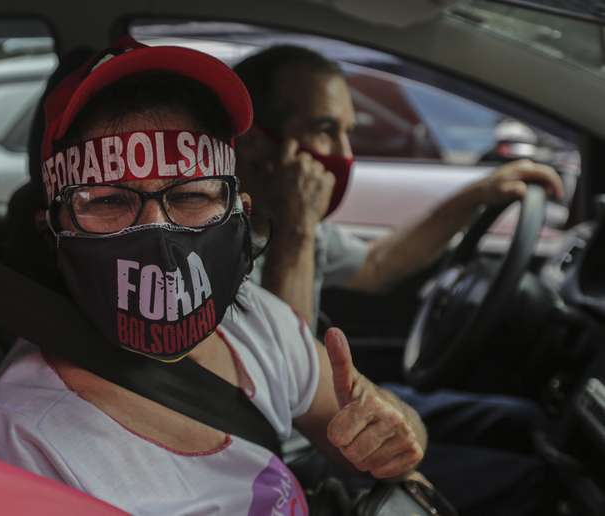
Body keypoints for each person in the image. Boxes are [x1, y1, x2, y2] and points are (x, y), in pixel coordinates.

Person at [0, 40, 428, 516]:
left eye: (190, 196)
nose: (157, 234)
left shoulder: (256, 324)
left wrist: (394, 433)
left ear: (239, 210)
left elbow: (389, 428)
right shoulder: (22, 435)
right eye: (107, 201)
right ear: (53, 227)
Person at [233, 45, 561, 515]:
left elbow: (378, 265)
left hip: (343, 408)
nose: (344, 154)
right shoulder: (226, 241)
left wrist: (475, 197)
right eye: (325, 131)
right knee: (535, 480)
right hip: (304, 452)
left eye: (348, 132)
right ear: (253, 141)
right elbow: (289, 378)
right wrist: (296, 229)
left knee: (527, 422)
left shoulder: (286, 215)